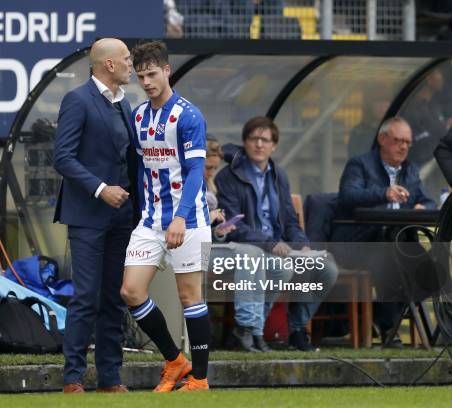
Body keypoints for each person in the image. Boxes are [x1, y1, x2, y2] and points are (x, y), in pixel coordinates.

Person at [120, 40, 212, 392]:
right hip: (150, 220)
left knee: (190, 297)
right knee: (131, 291)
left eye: (152, 74)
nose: (146, 82)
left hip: (189, 222)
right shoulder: (139, 115)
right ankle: (175, 360)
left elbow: (195, 171)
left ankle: (200, 379)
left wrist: (181, 216)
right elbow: (142, 168)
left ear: (167, 70)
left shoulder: (188, 115)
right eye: (140, 76)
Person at [53, 38, 137, 394]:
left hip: (123, 217)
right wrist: (102, 189)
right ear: (109, 65)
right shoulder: (77, 100)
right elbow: (63, 158)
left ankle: (110, 377)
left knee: (115, 297)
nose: (132, 65)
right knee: (86, 295)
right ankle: (73, 377)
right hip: (88, 214)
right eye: (128, 59)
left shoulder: (125, 103)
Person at [214, 116, 339, 352]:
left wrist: (302, 245)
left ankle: (296, 329)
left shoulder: (278, 175)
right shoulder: (228, 177)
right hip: (251, 248)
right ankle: (251, 330)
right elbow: (234, 226)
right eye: (254, 139)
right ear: (245, 142)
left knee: (327, 268)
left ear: (274, 146)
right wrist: (270, 244)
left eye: (265, 140)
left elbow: (290, 220)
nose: (259, 145)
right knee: (281, 268)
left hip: (280, 247)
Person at [331, 116, 436, 346]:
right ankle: (389, 326)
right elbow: (348, 196)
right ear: (382, 139)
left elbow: (428, 201)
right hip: (360, 241)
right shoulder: (359, 165)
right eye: (398, 140)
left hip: (398, 241)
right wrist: (384, 193)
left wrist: (422, 207)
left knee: (431, 271)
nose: (403, 147)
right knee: (391, 259)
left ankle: (381, 316)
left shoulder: (410, 171)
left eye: (408, 142)